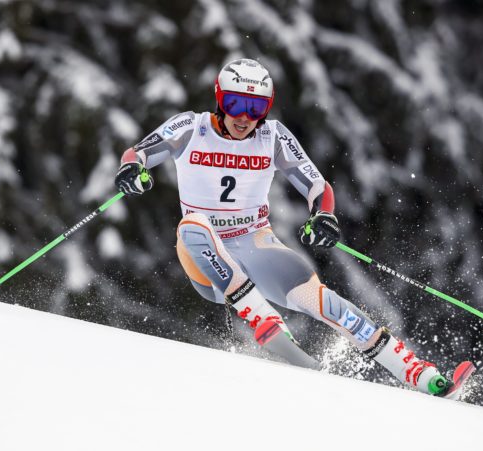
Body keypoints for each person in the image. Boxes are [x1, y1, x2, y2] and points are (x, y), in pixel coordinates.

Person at [115, 58, 457, 396]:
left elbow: (317, 186)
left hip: (254, 243)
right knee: (194, 225)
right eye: (235, 103)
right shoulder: (191, 127)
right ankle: (265, 319)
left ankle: (416, 372)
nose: (245, 117)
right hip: (204, 258)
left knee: (324, 301)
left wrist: (323, 216)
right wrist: (133, 170)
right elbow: (138, 153)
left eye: (256, 107)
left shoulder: (272, 136)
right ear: (219, 99)